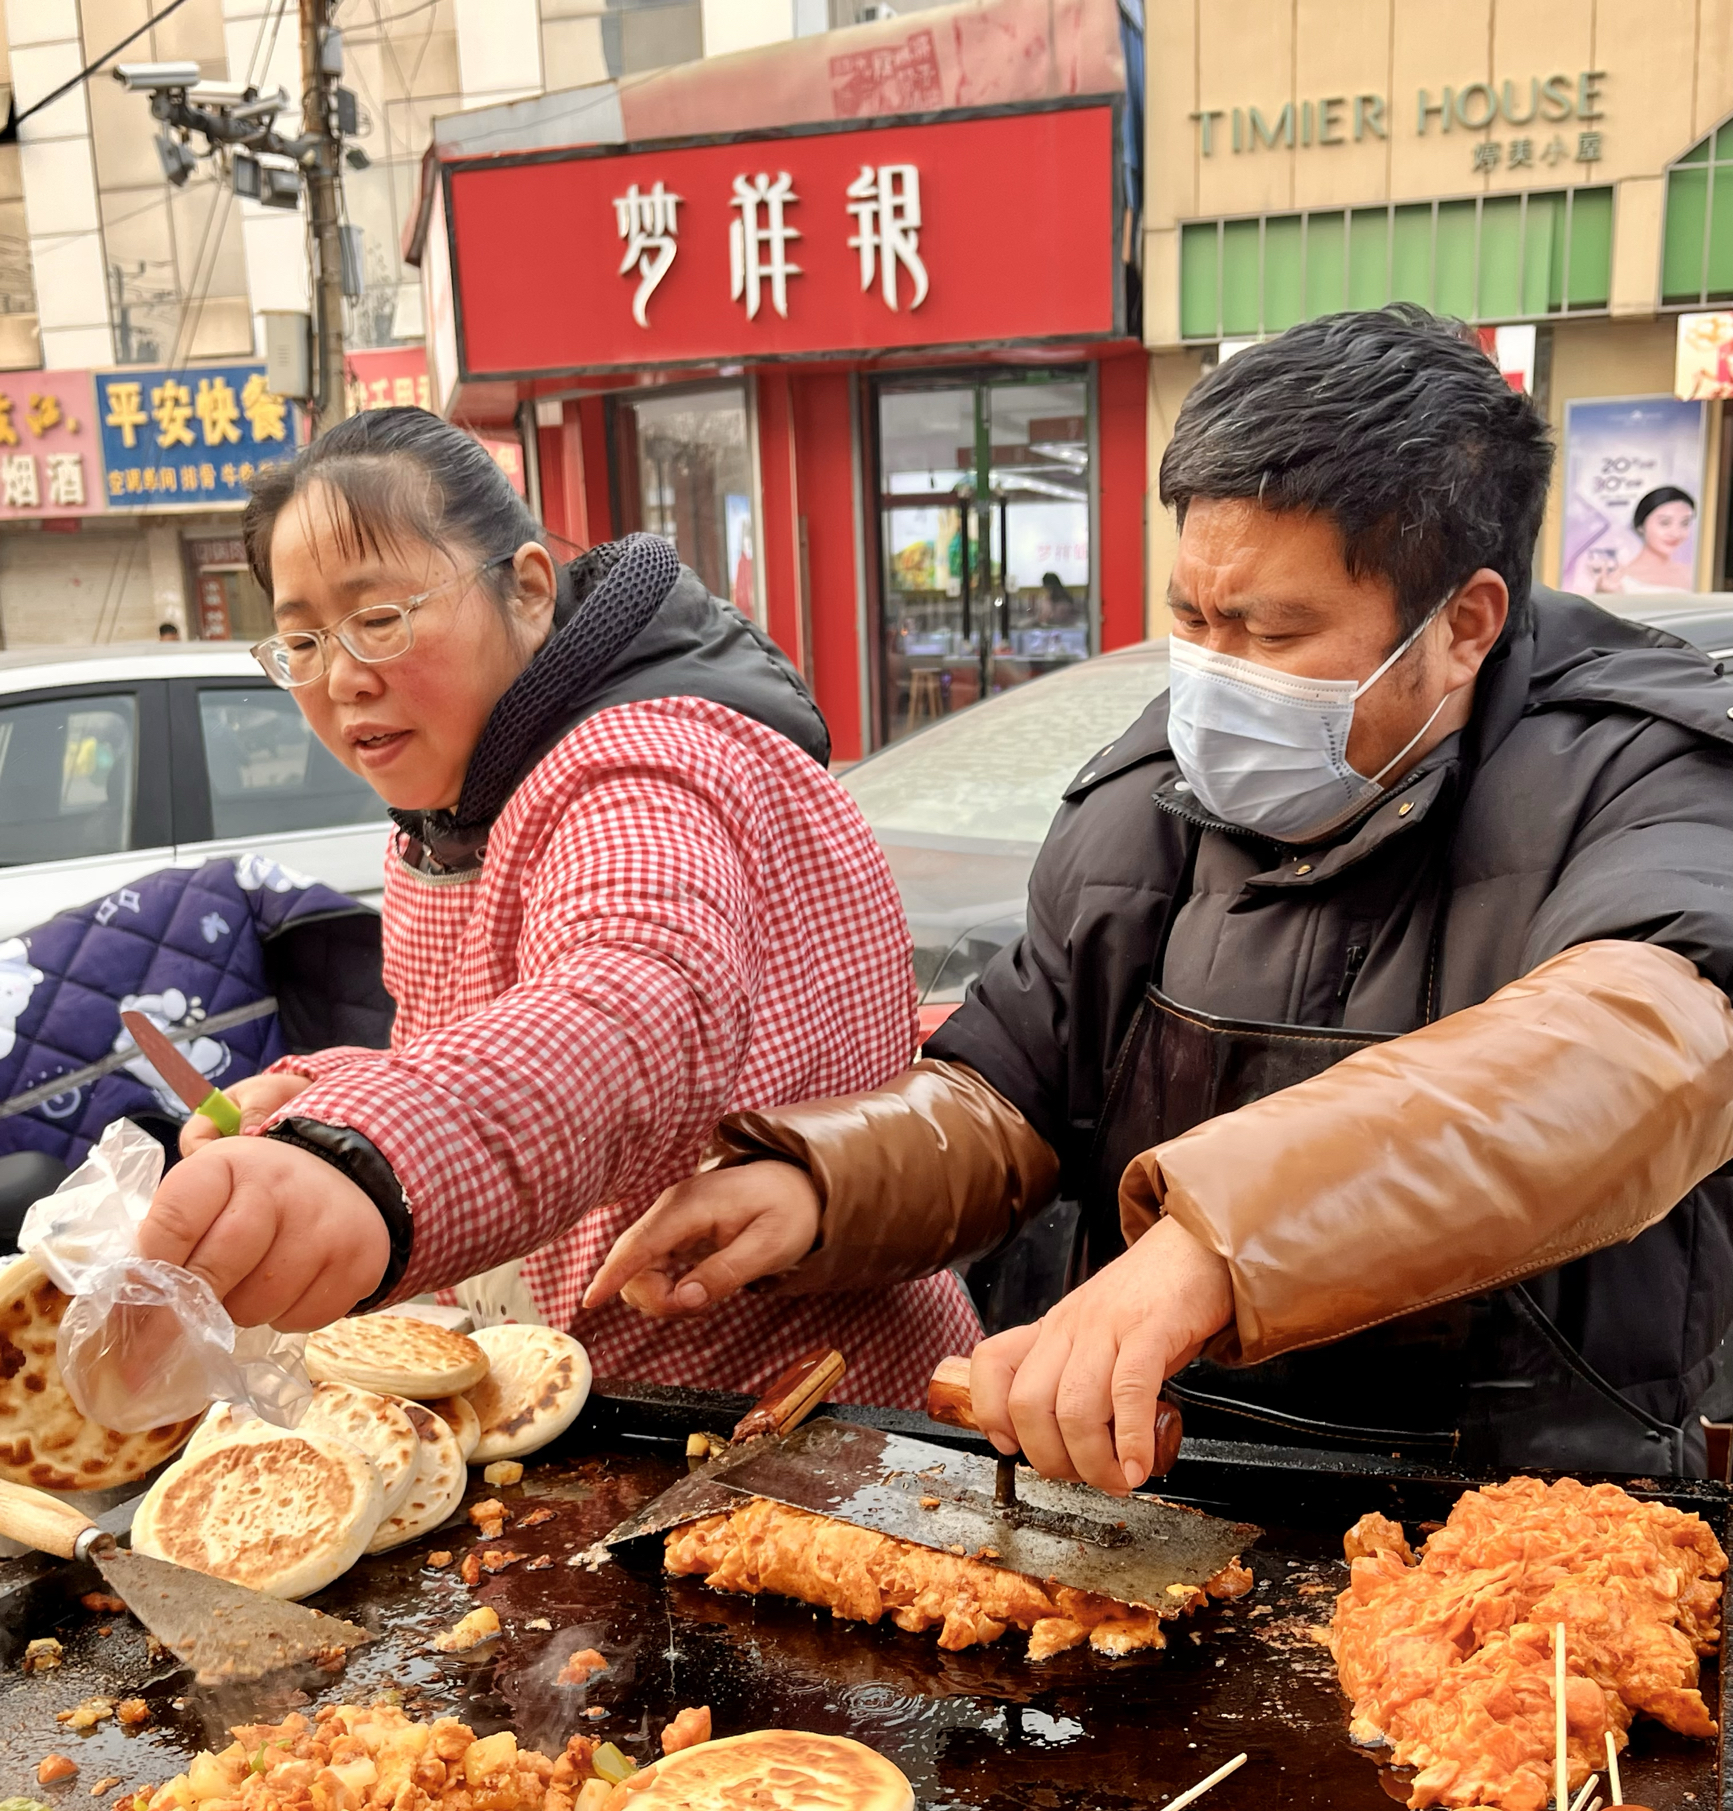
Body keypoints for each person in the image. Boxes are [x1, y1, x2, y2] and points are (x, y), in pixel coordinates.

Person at [590, 306, 1733, 1484]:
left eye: (1274, 630)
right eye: (1191, 618)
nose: (1215, 672)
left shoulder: (1645, 768)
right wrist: (820, 1182)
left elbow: (1630, 1050)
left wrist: (1209, 1245)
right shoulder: (1153, 782)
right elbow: (1018, 1087)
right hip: (1155, 1479)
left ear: (1462, 626)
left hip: (1512, 1504)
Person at [133, 406, 977, 1403]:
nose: (343, 679)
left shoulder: (642, 765)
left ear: (528, 591)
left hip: (804, 1415)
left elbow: (629, 1003)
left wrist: (363, 1155)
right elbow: (502, 1036)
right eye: (302, 640)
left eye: (378, 618)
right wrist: (331, 1093)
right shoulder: (458, 797)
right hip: (625, 1403)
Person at [1597, 485, 1696, 593]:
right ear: (1641, 526)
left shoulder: (1695, 574)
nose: (1676, 533)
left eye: (1685, 523)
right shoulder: (1616, 580)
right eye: (1665, 523)